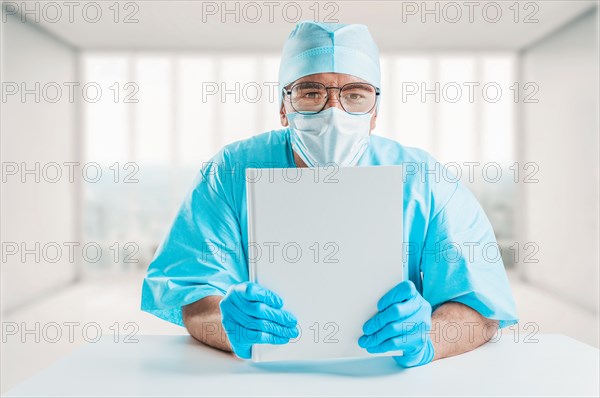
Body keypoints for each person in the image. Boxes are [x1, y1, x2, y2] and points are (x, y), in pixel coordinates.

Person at [141, 21, 518, 368]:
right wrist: (226, 321)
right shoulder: (230, 173)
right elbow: (193, 298)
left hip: (384, 378)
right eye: (310, 92)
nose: (333, 111)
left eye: (355, 94)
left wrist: (430, 335)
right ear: (283, 107)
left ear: (375, 112)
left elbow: (481, 309)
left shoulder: (426, 181)